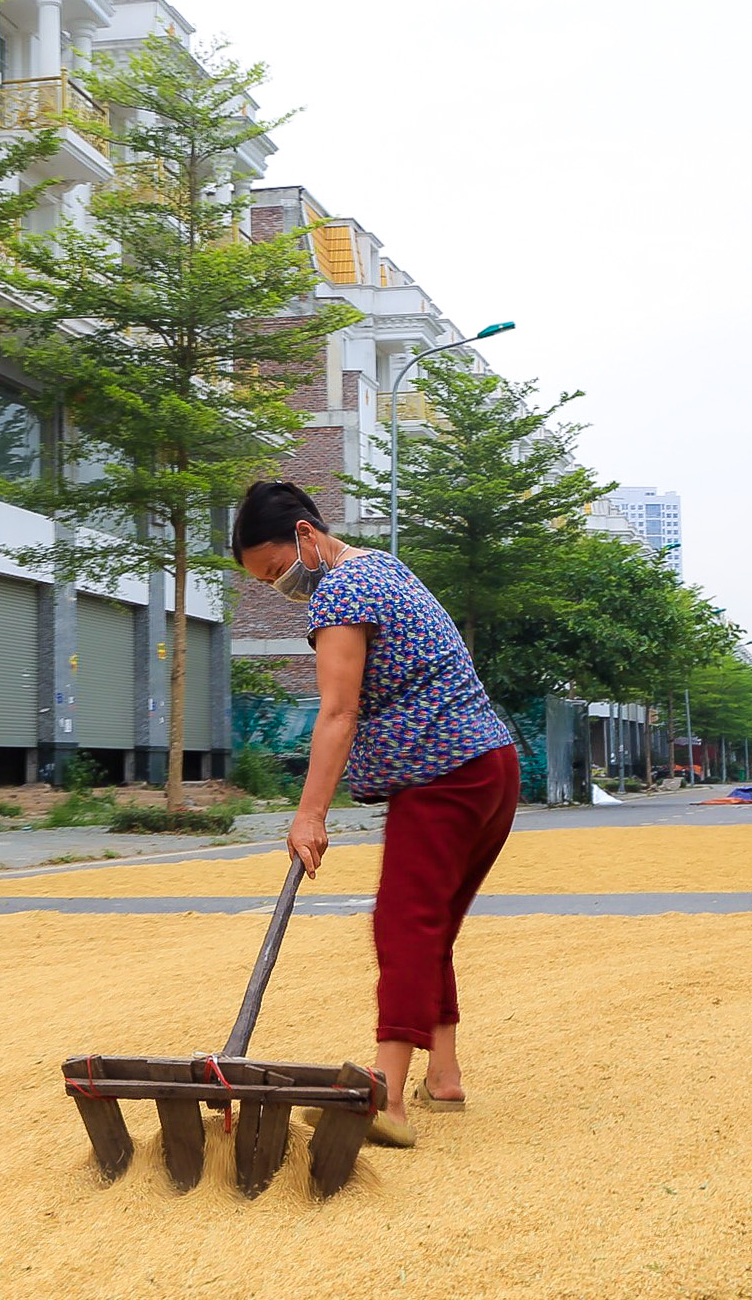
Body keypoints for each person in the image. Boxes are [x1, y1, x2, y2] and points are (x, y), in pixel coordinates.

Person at [230, 480, 521, 1149]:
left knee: (403, 921)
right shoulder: (382, 566)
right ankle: (442, 1074)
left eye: (276, 571)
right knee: (433, 923)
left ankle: (385, 1098)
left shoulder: (341, 589)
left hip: (444, 771)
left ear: (306, 536)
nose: (281, 587)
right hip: (489, 765)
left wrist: (310, 816)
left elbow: (337, 711)